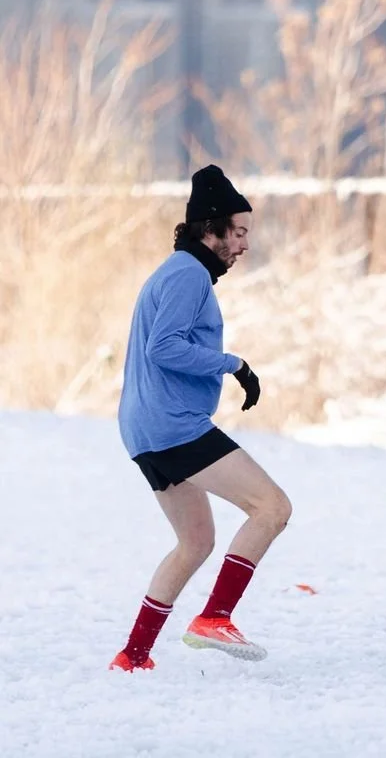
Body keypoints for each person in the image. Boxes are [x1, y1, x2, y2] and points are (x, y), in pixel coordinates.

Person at [109, 165, 291, 672]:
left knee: (195, 542)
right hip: (173, 424)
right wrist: (235, 364)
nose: (244, 245)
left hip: (144, 429)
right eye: (237, 233)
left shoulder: (175, 272)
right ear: (208, 230)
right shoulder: (189, 275)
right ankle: (215, 617)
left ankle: (133, 655)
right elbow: (165, 347)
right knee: (272, 507)